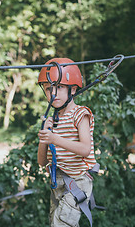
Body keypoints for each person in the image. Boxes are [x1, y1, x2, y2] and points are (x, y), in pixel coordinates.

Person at [37, 58, 97, 227]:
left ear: (74, 89)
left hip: (77, 181)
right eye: (49, 89)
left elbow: (85, 149)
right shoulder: (51, 120)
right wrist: (45, 137)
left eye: (59, 87)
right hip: (58, 184)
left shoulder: (80, 114)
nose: (53, 93)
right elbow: (42, 162)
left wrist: (55, 139)